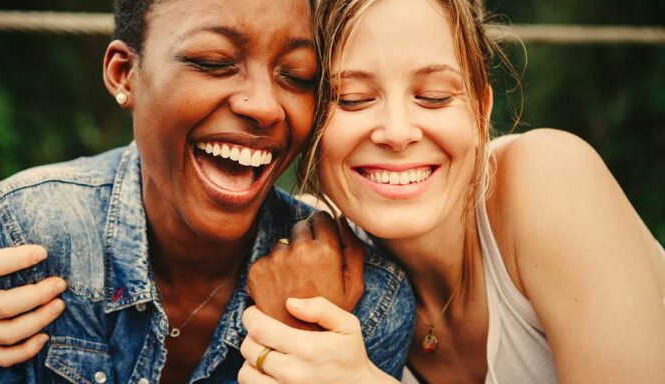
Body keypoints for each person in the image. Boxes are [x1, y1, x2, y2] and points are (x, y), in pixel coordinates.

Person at [0, 0, 415, 383]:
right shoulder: (41, 232)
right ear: (124, 73)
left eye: (298, 76)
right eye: (213, 62)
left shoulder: (365, 303)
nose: (265, 106)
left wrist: (297, 338)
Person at [236, 0, 665, 383]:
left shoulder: (552, 177)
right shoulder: (315, 251)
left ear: (481, 110)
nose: (398, 132)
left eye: (435, 96)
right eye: (352, 99)